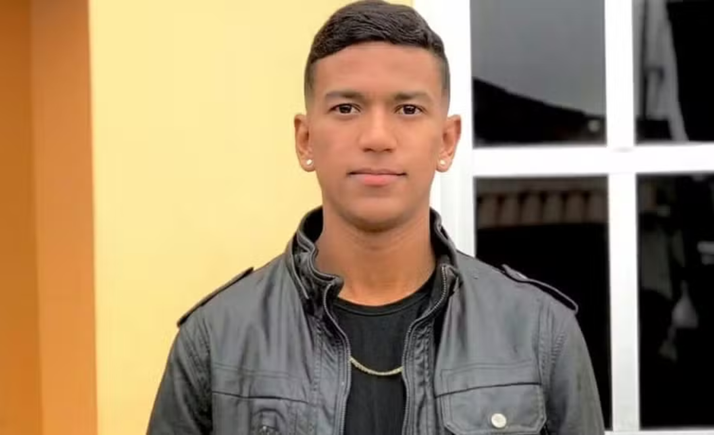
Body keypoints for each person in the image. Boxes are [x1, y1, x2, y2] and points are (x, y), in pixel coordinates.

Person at [146, 1, 604, 434]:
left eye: (408, 109)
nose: (377, 137)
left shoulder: (539, 334)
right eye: (346, 108)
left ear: (446, 142)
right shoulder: (216, 341)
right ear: (306, 140)